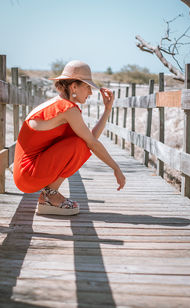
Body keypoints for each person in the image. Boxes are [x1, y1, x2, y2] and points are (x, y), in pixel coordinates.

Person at [13, 60, 126, 215]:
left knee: (80, 143)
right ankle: (50, 195)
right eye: (87, 87)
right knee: (79, 144)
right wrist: (116, 168)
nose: (90, 93)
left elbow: (89, 139)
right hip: (28, 174)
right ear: (74, 87)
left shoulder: (61, 105)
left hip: (26, 173)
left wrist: (107, 110)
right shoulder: (67, 109)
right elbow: (91, 143)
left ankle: (48, 197)